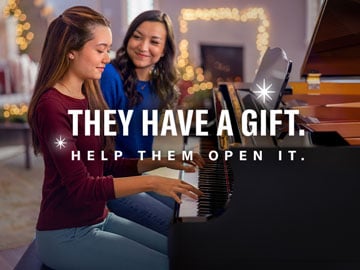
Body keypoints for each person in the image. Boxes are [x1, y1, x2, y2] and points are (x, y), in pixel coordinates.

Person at [27, 6, 204, 270]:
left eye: (108, 50)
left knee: (184, 253)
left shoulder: (88, 96)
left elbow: (106, 164)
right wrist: (153, 183)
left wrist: (165, 160)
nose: (107, 59)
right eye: (100, 50)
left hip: (100, 218)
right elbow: (81, 187)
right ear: (70, 50)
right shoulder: (51, 106)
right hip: (66, 234)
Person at [100, 10, 183, 235]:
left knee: (186, 207)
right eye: (137, 36)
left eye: (154, 41)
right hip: (111, 182)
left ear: (164, 49)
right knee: (180, 229)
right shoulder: (109, 76)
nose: (143, 46)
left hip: (137, 174)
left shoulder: (159, 86)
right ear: (128, 38)